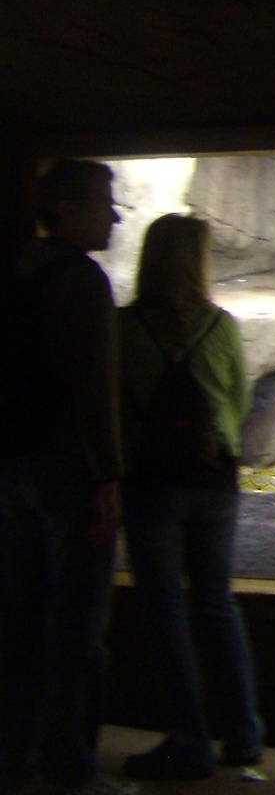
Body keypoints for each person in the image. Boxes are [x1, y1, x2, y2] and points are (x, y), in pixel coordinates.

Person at [116, 214, 263, 780]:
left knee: (165, 612)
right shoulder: (220, 325)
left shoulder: (125, 328)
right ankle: (245, 734)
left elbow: (114, 406)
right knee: (217, 605)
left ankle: (188, 737)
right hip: (214, 482)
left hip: (151, 484)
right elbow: (239, 402)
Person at [0, 159, 130, 795]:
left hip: (13, 466)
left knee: (19, 615)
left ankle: (15, 757)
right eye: (105, 202)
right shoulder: (83, 281)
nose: (114, 214)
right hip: (66, 470)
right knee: (77, 622)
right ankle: (70, 768)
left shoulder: (20, 269)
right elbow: (94, 389)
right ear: (71, 209)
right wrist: (107, 475)